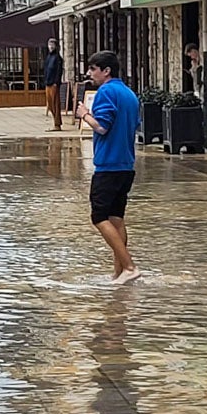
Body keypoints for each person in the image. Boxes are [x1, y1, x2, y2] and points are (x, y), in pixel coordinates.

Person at [75, 50, 141, 285]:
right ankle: (120, 272)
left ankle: (130, 266)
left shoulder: (106, 92)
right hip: (126, 165)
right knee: (116, 218)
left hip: (108, 165)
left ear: (106, 71)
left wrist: (84, 114)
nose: (89, 73)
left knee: (99, 216)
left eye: (93, 69)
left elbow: (101, 126)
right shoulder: (130, 94)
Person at [43, 37, 64, 131]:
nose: (50, 46)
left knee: (55, 104)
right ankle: (55, 121)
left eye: (52, 45)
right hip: (48, 82)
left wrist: (56, 82)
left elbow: (59, 71)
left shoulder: (57, 58)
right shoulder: (48, 57)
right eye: (49, 44)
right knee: (50, 104)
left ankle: (57, 124)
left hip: (54, 84)